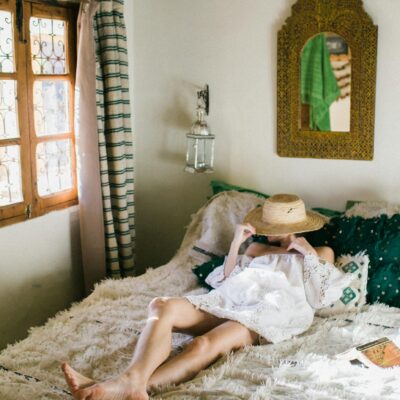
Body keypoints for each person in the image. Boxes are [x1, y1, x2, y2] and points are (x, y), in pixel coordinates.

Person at [62, 194, 352, 400]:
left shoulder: (321, 253)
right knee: (161, 305)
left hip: (267, 312)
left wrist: (307, 254)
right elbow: (223, 281)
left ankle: (129, 386)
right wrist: (238, 242)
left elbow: (320, 297)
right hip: (230, 300)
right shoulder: (255, 250)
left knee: (203, 344)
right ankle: (129, 382)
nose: (271, 232)